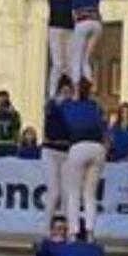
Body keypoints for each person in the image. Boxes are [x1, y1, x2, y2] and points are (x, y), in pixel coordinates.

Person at [60, 79, 106, 241]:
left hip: (78, 146)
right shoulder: (95, 106)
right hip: (97, 148)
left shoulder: (69, 106)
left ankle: (73, 232)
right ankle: (90, 232)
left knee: (74, 193)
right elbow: (103, 126)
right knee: (90, 194)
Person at [59, 0, 104, 86]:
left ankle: (77, 89)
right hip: (97, 23)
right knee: (85, 60)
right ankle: (88, 85)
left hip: (83, 21)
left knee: (76, 59)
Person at [43, 75, 75, 221]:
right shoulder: (52, 105)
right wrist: (57, 105)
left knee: (66, 191)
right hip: (51, 150)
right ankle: (46, 225)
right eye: (64, 91)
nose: (66, 94)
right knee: (54, 191)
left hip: (67, 151)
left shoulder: (74, 108)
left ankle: (68, 226)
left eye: (69, 92)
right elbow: (50, 127)